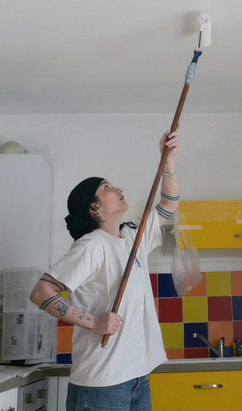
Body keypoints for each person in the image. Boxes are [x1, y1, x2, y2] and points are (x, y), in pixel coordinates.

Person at [30, 130, 180, 411]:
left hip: (138, 377)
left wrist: (168, 160)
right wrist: (94, 322)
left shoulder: (132, 234)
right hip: (101, 384)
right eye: (107, 187)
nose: (118, 189)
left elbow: (168, 206)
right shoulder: (91, 246)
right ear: (94, 206)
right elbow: (41, 292)